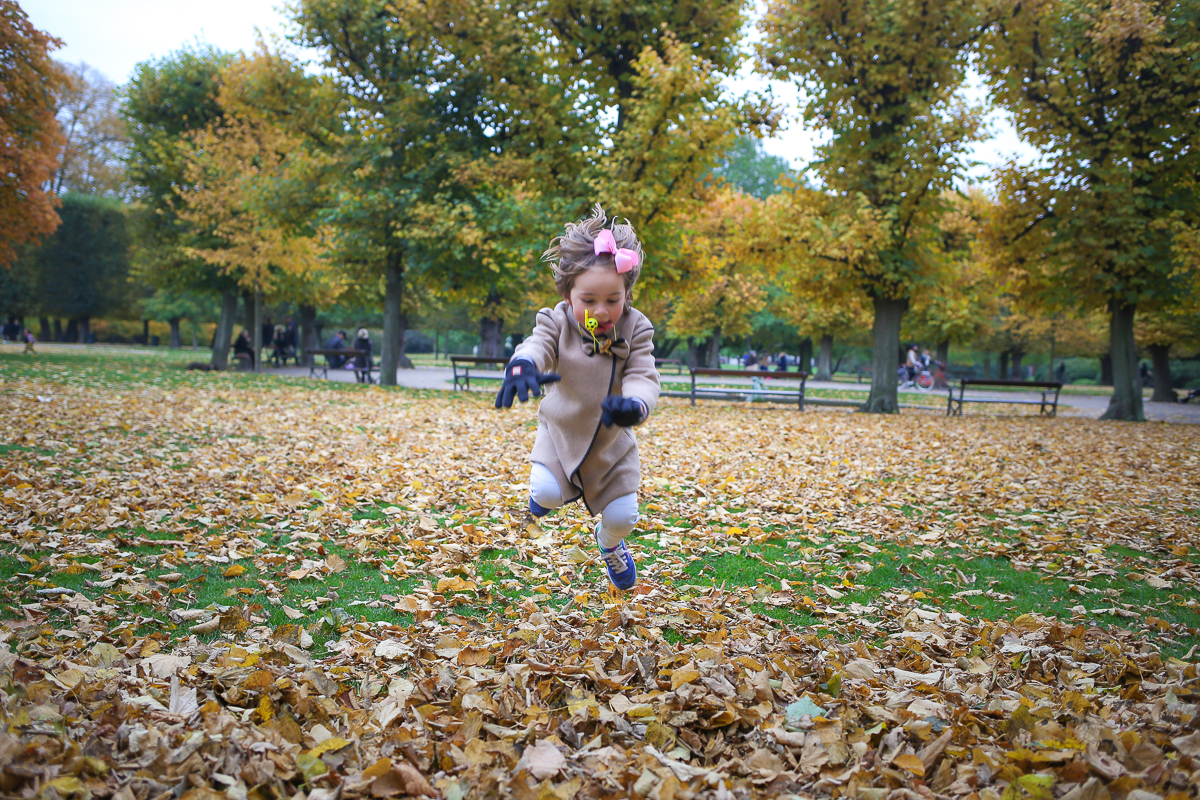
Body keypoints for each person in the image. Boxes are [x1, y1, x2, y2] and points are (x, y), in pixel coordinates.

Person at [495, 205, 660, 591]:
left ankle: (610, 545)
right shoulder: (556, 321)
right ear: (568, 296)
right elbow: (537, 345)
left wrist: (634, 405)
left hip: (610, 444)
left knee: (623, 517)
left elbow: (643, 374)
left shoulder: (636, 327)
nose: (601, 311)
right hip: (561, 433)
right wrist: (522, 365)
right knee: (547, 492)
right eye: (589, 300)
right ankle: (544, 495)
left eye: (613, 300)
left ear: (627, 294)